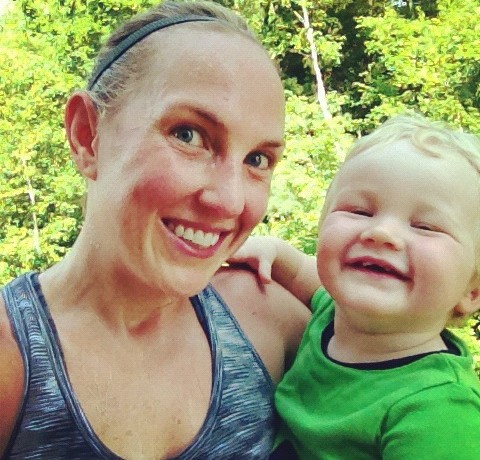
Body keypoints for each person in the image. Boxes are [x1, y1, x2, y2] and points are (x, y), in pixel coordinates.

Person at [0, 2, 310, 458]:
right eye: (188, 135)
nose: (229, 200)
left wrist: (295, 262)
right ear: (88, 135)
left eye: (257, 160)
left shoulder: (269, 321)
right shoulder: (12, 360)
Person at [232, 114, 480, 459]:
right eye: (360, 211)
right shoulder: (329, 316)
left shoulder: (439, 409)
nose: (381, 233)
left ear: (473, 291)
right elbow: (304, 272)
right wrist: (272, 250)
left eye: (425, 226)